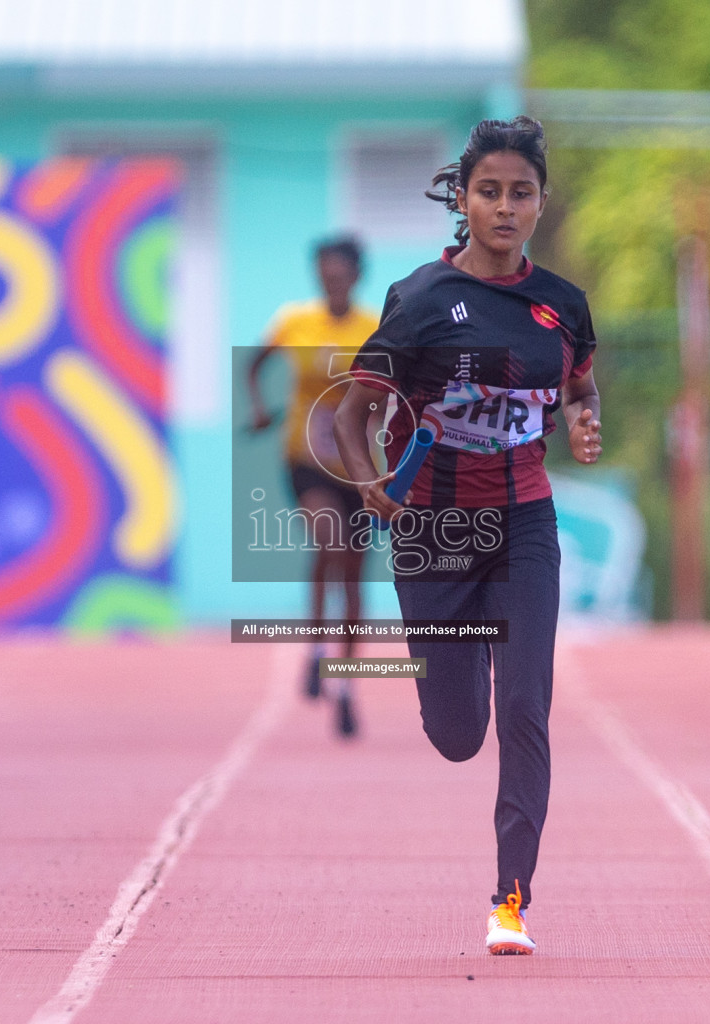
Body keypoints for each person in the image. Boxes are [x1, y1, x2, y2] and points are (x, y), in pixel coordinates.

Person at [332, 116, 602, 955]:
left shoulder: (561, 306)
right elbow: (352, 414)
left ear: (540, 203)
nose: (505, 207)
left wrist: (586, 424)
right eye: (489, 191)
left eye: (521, 193)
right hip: (433, 532)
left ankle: (509, 901)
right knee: (457, 735)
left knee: (527, 707)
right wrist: (368, 479)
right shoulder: (417, 301)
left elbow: (581, 389)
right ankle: (462, 671)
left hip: (524, 524)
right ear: (462, 197)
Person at [247, 236, 380, 737]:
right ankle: (316, 648)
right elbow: (255, 364)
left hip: (361, 467)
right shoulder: (294, 322)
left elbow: (397, 387)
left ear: (355, 275)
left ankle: (345, 683)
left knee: (354, 573)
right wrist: (260, 409)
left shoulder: (374, 329)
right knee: (329, 540)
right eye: (323, 270)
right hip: (304, 458)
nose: (330, 278)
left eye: (339, 271)